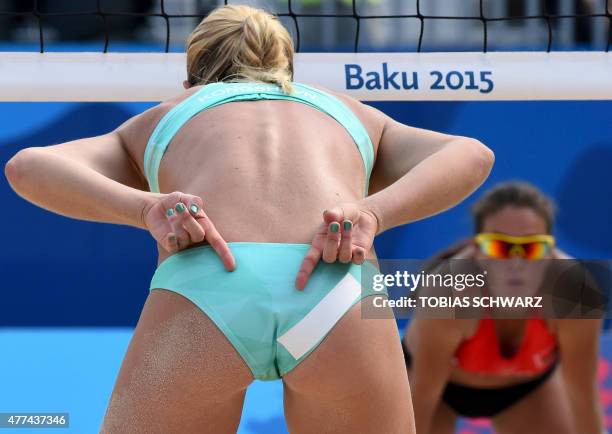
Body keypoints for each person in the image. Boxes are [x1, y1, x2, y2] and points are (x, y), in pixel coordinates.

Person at [4, 5, 494, 433]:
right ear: (290, 72)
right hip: (336, 286)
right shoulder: (351, 113)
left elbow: (26, 167)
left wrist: (146, 209)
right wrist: (373, 213)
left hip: (212, 282)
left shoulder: (168, 114)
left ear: (191, 80)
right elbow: (472, 154)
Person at [403, 181, 604, 434]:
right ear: (477, 250)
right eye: (499, 246)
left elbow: (582, 395)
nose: (515, 262)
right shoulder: (450, 290)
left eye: (531, 248)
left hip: (524, 391)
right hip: (435, 390)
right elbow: (424, 395)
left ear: (550, 252)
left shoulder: (576, 294)